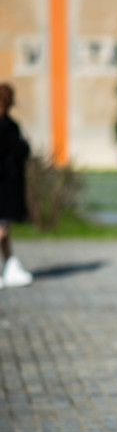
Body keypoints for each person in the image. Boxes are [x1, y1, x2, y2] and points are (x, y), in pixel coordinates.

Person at [0, 83, 33, 288]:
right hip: (4, 185)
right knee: (2, 228)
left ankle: (10, 265)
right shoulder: (7, 126)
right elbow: (20, 150)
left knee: (4, 229)